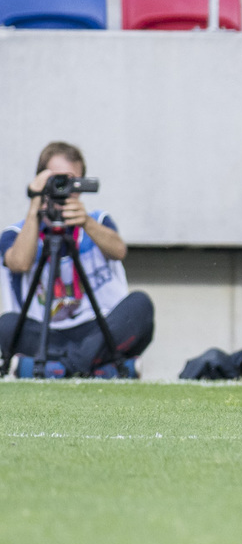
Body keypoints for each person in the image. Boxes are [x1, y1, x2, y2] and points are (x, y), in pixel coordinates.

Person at [1, 141, 154, 378]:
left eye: (72, 182)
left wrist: (86, 223)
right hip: (45, 332)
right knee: (6, 325)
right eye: (57, 179)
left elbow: (119, 251)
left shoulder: (97, 221)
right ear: (41, 180)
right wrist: (35, 206)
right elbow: (19, 263)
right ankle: (99, 369)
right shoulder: (16, 233)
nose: (64, 189)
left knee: (141, 305)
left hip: (98, 328)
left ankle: (60, 369)